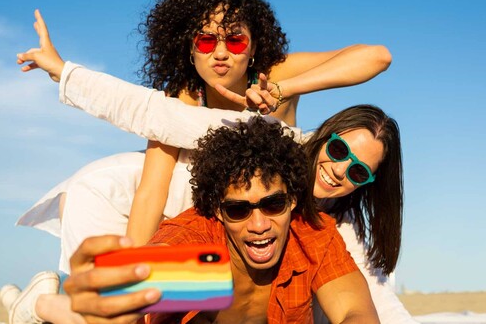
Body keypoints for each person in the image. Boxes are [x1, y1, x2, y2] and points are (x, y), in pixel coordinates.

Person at [6, 0, 392, 323]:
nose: (221, 53)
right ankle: (41, 302)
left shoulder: (275, 76)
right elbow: (151, 191)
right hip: (212, 217)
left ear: (255, 46)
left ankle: (38, 302)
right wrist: (133, 279)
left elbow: (375, 57)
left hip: (277, 228)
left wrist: (281, 89)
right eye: (206, 41)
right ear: (189, 47)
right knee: (118, 300)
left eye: (236, 41)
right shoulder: (184, 98)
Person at [64, 117, 380, 323]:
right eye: (238, 210)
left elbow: (356, 312)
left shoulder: (312, 235)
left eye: (273, 204)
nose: (258, 225)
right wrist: (110, 296)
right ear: (217, 210)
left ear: (293, 199)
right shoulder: (197, 241)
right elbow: (132, 292)